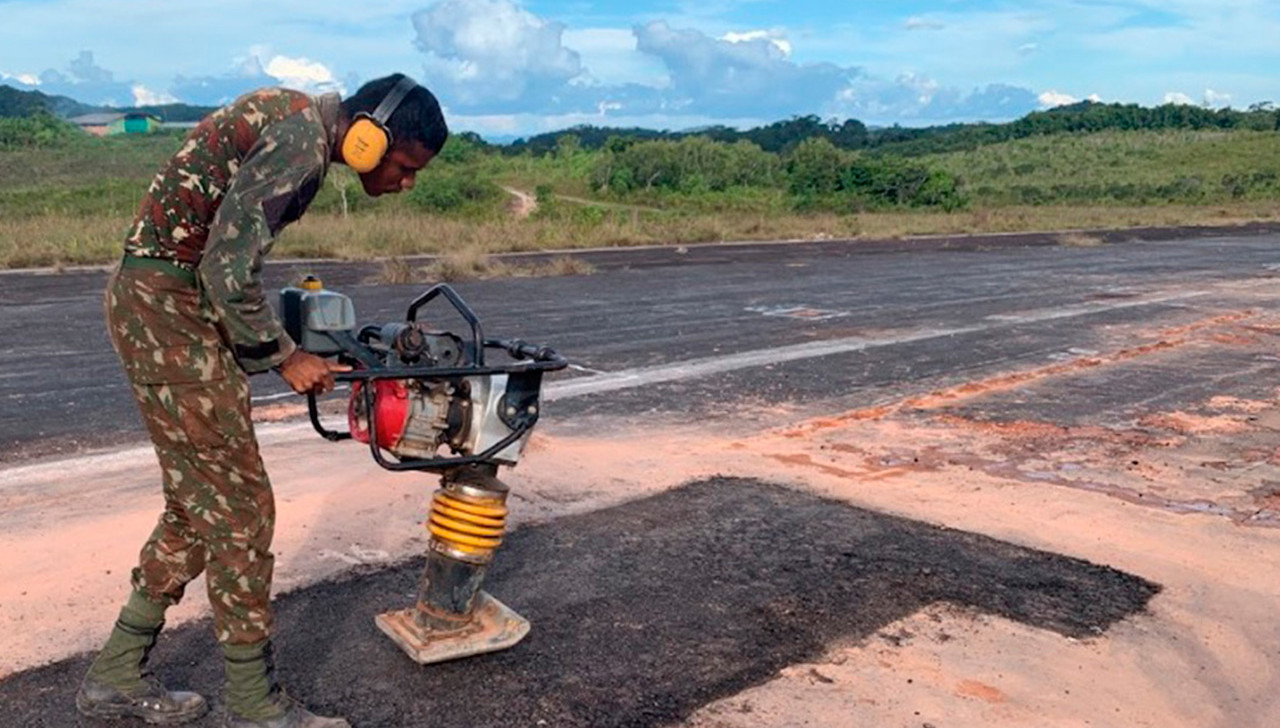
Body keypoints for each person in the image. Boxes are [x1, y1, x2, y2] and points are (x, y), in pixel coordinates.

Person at [76, 73, 448, 728]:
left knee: (200, 506)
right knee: (244, 510)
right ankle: (256, 705)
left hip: (164, 305)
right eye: (405, 164)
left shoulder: (295, 121)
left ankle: (115, 673)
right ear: (367, 137)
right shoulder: (303, 137)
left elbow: (224, 257)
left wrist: (278, 340)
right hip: (169, 312)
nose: (406, 181)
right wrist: (285, 355)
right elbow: (225, 267)